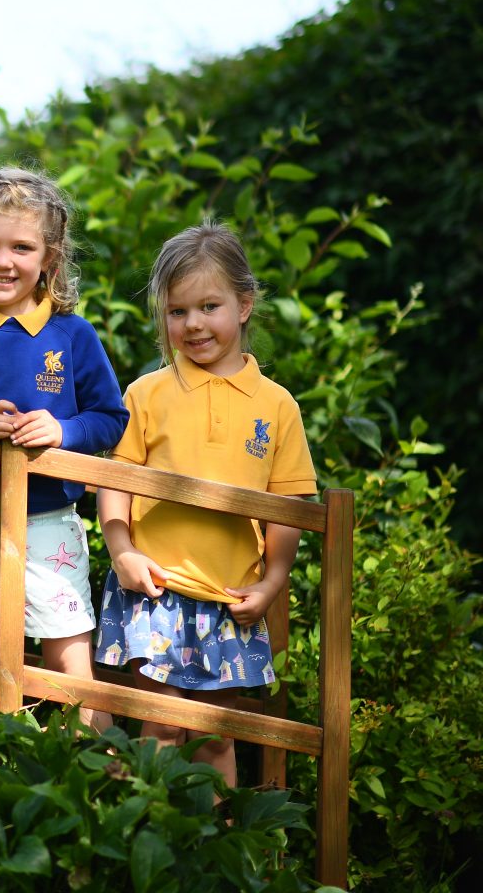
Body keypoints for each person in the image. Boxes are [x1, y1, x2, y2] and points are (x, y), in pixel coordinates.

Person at [95, 219, 317, 787]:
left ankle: (219, 854)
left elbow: (287, 504)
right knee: (160, 728)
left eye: (209, 306)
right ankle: (148, 843)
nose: (193, 324)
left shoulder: (276, 405)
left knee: (218, 737)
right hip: (157, 590)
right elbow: (115, 480)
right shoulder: (147, 394)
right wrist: (122, 551)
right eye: (176, 311)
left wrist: (272, 583)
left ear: (244, 305)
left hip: (230, 597)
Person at [0, 168, 129, 735]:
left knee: (68, 655)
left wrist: (62, 432)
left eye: (22, 246)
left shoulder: (72, 335)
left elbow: (110, 420)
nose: (3, 260)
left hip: (48, 523)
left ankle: (96, 768)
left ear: (51, 258)